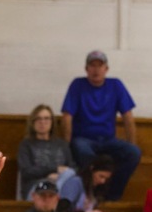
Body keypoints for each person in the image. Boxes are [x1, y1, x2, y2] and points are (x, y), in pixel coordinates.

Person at [60, 50, 141, 200]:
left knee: (133, 153)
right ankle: (89, 194)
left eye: (100, 65)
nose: (96, 70)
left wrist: (132, 143)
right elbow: (67, 116)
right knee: (84, 152)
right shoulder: (77, 84)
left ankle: (111, 195)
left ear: (106, 69)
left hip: (108, 140)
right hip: (83, 139)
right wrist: (66, 146)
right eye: (92, 65)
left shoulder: (116, 85)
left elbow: (128, 117)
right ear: (86, 69)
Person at [17, 104, 75, 199]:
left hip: (61, 183)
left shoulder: (62, 144)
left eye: (46, 118)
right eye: (38, 119)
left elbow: (71, 167)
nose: (42, 122)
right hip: (36, 186)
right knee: (49, 185)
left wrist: (59, 176)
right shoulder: (26, 145)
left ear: (52, 122)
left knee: (73, 177)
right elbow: (26, 171)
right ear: (32, 122)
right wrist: (52, 171)